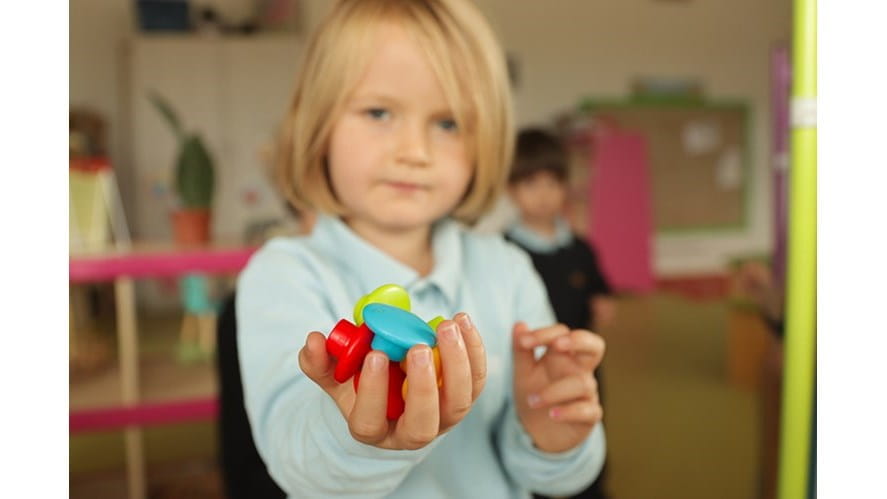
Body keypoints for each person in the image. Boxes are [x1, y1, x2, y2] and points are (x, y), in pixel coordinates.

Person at [235, 1, 607, 497]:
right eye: (379, 112)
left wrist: (552, 439)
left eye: (448, 123)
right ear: (318, 126)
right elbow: (293, 457)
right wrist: (361, 438)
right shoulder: (283, 274)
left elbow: (555, 477)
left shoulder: (508, 269)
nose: (414, 151)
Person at [505, 128, 615, 499]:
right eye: (531, 183)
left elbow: (601, 290)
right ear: (511, 190)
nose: (544, 194)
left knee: (587, 430)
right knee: (536, 438)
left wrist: (603, 304)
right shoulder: (503, 253)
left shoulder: (581, 249)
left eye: (553, 183)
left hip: (581, 365)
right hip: (529, 371)